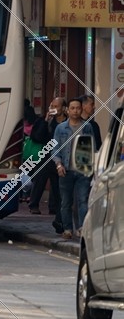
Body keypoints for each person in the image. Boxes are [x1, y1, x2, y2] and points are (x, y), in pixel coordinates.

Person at [55, 97, 99, 240]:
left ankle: (82, 228)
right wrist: (59, 164)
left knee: (82, 200)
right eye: (72, 108)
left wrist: (92, 167)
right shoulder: (61, 128)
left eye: (78, 108)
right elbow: (55, 149)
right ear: (67, 110)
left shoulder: (87, 127)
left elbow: (92, 148)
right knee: (66, 202)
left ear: (81, 109)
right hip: (66, 170)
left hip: (83, 170)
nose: (75, 111)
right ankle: (68, 229)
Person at [31, 96, 66, 230]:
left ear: (63, 109)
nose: (53, 109)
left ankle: (55, 208)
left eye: (56, 106)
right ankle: (34, 204)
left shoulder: (66, 123)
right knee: (40, 179)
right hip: (45, 155)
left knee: (57, 185)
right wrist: (46, 121)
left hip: (60, 157)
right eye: (52, 106)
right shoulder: (44, 121)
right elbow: (38, 137)